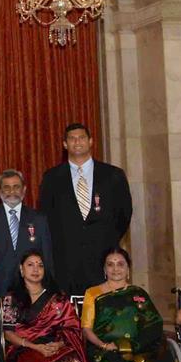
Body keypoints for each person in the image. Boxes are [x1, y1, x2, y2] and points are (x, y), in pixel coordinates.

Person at [39, 123, 133, 296]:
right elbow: (46, 218)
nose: (77, 142)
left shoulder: (113, 176)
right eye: (72, 139)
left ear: (90, 141)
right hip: (66, 263)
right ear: (65, 144)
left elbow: (124, 214)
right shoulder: (52, 178)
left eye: (81, 137)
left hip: (102, 259)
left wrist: (105, 238)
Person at [0, 170, 53, 296]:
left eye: (16, 187)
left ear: (24, 190)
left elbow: (47, 257)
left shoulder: (38, 219)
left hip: (31, 290)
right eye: (6, 188)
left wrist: (48, 290)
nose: (11, 191)